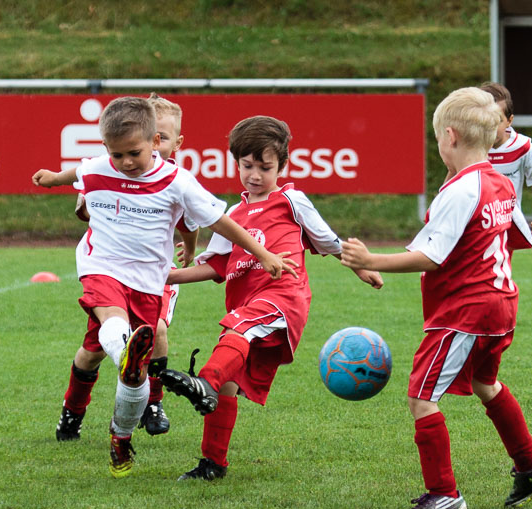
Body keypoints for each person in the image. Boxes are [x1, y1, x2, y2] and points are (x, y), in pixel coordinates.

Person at [32, 96, 297, 477]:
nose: (124, 163)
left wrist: (263, 253)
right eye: (116, 154)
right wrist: (51, 179)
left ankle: (121, 435)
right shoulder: (100, 168)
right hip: (101, 265)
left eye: (133, 154)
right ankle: (123, 350)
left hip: (149, 280)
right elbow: (77, 173)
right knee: (115, 325)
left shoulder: (177, 181)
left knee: (135, 370)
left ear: (156, 142)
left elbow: (219, 222)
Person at [340, 87, 532, 509]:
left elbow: (432, 256)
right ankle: (531, 465)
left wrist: (371, 258)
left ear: (451, 137)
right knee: (485, 384)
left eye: (437, 136)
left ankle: (444, 495)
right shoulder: (497, 181)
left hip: (466, 310)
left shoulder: (461, 190)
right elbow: (521, 237)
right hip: (501, 303)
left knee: (421, 395)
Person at [158, 116, 383, 481]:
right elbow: (216, 266)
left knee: (233, 344)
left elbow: (327, 240)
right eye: (247, 166)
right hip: (245, 307)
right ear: (237, 163)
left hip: (284, 297)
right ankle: (212, 463)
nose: (255, 175)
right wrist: (166, 275)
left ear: (283, 166)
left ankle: (205, 381)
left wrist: (359, 266)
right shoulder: (232, 214)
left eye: (265, 167)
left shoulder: (291, 200)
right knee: (230, 380)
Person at [58, 93, 198, 441]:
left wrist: (190, 252)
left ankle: (153, 403)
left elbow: (190, 223)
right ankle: (72, 413)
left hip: (156, 273)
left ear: (174, 142)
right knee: (91, 355)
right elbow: (87, 210)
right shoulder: (109, 172)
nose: (158, 145)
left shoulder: (177, 181)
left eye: (164, 138)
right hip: (114, 273)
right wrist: (89, 207)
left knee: (157, 332)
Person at [479, 82, 532, 235]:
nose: (490, 127)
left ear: (509, 120)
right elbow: (455, 175)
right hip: (477, 223)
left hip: (507, 223)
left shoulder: (523, 146)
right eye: (485, 120)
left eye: (497, 121)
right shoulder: (471, 146)